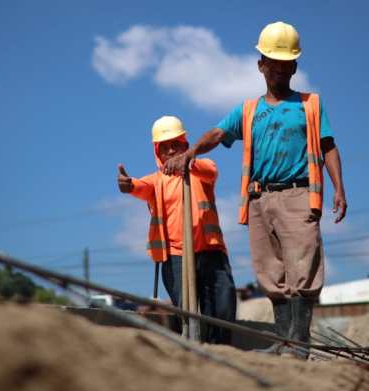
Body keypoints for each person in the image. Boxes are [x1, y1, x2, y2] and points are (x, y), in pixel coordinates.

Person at [163, 22, 348, 358]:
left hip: (298, 194)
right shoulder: (248, 111)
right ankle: (284, 341)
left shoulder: (309, 105)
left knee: (302, 268)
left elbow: (328, 147)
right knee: (270, 271)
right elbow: (218, 134)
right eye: (272, 63)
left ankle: (300, 344)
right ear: (261, 65)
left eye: (285, 64)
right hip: (260, 199)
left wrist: (339, 189)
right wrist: (191, 152)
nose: (278, 70)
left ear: (294, 67)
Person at [117, 115, 237, 344]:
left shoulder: (201, 170)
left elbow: (211, 170)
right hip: (176, 257)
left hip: (211, 251)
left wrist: (189, 161)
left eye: (176, 144)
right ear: (157, 152)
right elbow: (138, 186)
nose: (171, 151)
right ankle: (193, 348)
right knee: (187, 313)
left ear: (185, 145)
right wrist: (127, 184)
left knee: (222, 307)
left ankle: (220, 350)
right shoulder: (156, 181)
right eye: (165, 147)